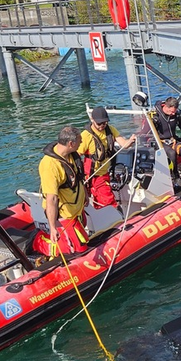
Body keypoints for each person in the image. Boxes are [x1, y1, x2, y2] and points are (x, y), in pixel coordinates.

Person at [38, 126, 88, 255]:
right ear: (71, 143)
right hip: (65, 214)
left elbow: (78, 178)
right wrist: (53, 226)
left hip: (76, 209)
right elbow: (52, 198)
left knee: (81, 238)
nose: (81, 143)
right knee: (76, 248)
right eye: (79, 141)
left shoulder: (71, 155)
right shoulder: (50, 166)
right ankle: (38, 242)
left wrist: (85, 195)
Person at [78, 106, 136, 210]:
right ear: (92, 120)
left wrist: (131, 140)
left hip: (105, 172)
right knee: (108, 200)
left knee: (101, 199)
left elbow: (124, 144)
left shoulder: (110, 130)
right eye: (99, 123)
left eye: (104, 123)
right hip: (93, 175)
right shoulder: (86, 136)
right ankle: (115, 217)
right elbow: (76, 155)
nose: (102, 126)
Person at [150, 96, 181, 183]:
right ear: (166, 106)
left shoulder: (175, 115)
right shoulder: (155, 115)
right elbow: (147, 133)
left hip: (173, 141)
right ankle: (175, 178)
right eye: (172, 112)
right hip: (160, 143)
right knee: (171, 153)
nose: (173, 114)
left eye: (175, 112)